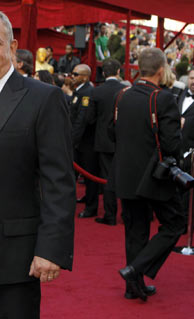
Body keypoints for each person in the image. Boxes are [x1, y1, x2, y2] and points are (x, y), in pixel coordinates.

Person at [0, 9, 74, 318]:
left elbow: (58, 181)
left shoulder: (43, 98)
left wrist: (50, 250)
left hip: (14, 261)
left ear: (12, 45)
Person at [112, 48, 185, 301]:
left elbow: (115, 134)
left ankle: (133, 287)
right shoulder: (163, 98)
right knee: (175, 224)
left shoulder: (122, 95)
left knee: (135, 230)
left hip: (125, 174)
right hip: (154, 176)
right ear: (161, 70)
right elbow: (172, 145)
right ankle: (135, 269)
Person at [88, 59, 125, 225]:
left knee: (107, 177)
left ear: (103, 73)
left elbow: (90, 119)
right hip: (123, 140)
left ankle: (110, 215)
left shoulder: (97, 92)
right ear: (118, 71)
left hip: (103, 140)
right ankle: (126, 214)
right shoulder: (126, 90)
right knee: (125, 176)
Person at [69, 64, 98, 218]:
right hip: (77, 142)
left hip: (85, 143)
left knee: (89, 176)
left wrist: (71, 141)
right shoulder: (78, 91)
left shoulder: (87, 93)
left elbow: (82, 120)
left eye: (75, 74)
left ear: (85, 77)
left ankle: (91, 207)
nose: (72, 76)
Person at [178, 69, 194, 216]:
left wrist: (187, 122)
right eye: (191, 78)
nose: (193, 81)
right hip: (177, 149)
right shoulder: (180, 95)